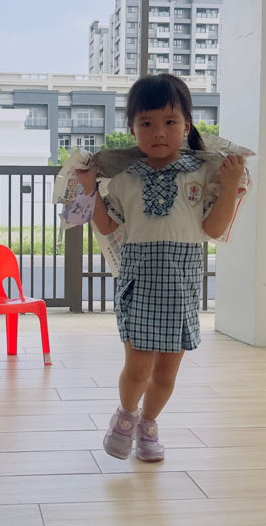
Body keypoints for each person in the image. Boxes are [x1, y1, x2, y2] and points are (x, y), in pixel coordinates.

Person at [75, 73, 246, 463]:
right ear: (132, 129)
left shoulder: (202, 173)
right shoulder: (123, 180)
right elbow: (106, 226)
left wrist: (231, 185)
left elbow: (213, 229)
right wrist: (88, 188)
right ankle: (126, 416)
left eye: (170, 122)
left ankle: (148, 425)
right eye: (146, 123)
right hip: (138, 280)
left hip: (181, 284)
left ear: (186, 127)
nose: (158, 132)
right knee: (138, 368)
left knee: (166, 373)